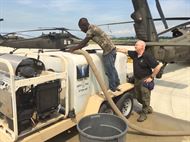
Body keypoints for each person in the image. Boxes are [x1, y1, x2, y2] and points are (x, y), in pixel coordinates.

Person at [68, 18, 120, 92]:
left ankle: (113, 88)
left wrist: (73, 49)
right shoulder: (93, 27)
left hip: (108, 51)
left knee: (109, 71)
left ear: (84, 25)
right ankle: (117, 84)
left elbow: (84, 42)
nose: (81, 30)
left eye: (81, 28)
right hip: (112, 50)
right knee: (112, 69)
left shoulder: (91, 30)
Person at [117, 40, 162, 122]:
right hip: (137, 79)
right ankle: (148, 107)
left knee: (145, 97)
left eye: (136, 45)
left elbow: (158, 66)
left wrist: (151, 77)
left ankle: (144, 113)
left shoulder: (147, 56)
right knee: (138, 97)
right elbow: (125, 50)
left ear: (142, 47)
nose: (135, 46)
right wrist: (115, 49)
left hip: (145, 79)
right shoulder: (135, 54)